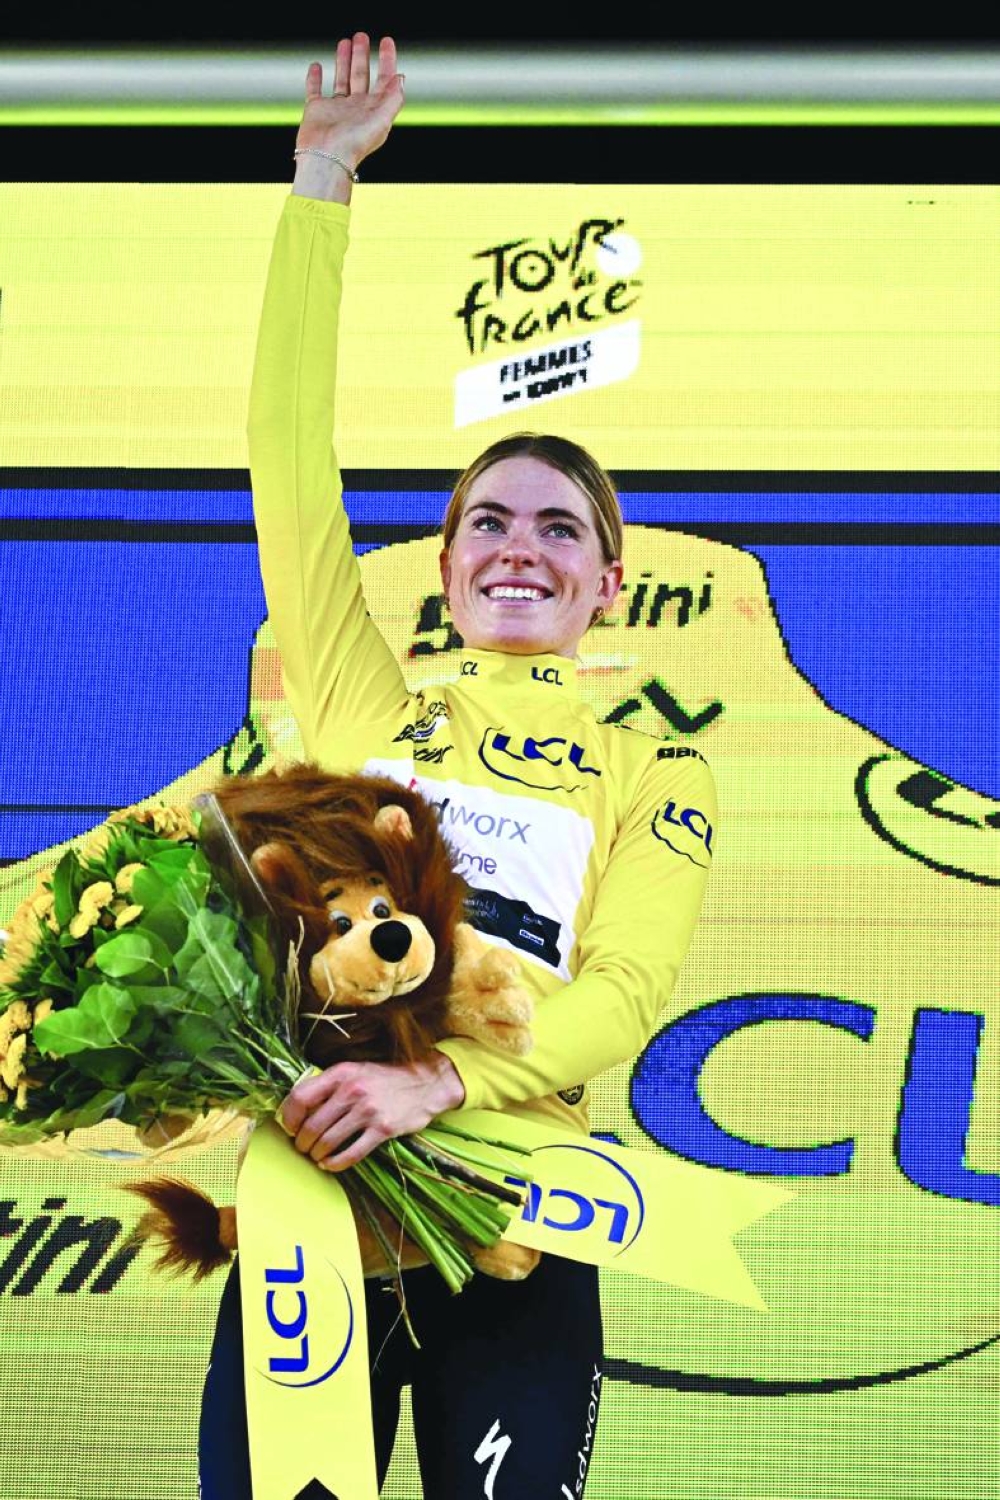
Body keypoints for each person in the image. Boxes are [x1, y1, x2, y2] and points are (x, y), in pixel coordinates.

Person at [198, 32, 717, 1499]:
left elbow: (623, 989)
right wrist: (320, 185)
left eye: (562, 529)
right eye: (492, 520)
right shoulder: (367, 693)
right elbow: (285, 460)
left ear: (609, 582)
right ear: (444, 563)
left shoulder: (654, 769)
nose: (521, 547)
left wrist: (445, 1089)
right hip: (322, 1188)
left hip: (518, 1201)